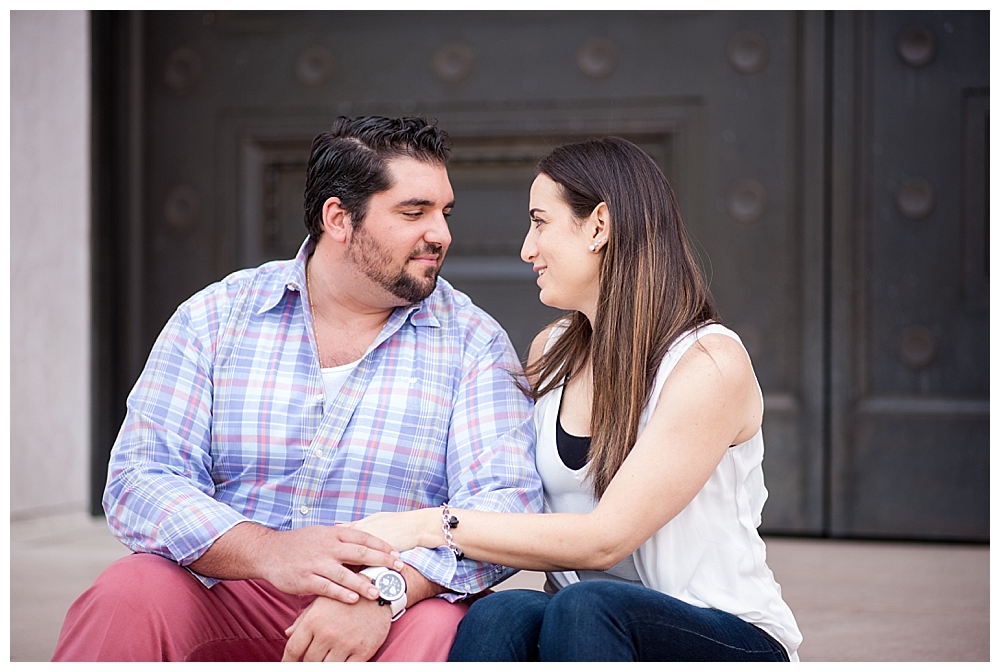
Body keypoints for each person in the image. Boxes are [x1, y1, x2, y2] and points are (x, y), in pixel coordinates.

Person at [52, 116, 543, 662]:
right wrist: (267, 550)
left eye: (444, 212)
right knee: (131, 590)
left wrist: (390, 588)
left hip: (386, 602)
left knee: (438, 628)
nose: (442, 233)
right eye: (414, 212)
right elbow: (139, 478)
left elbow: (506, 506)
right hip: (229, 589)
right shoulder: (217, 317)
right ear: (339, 218)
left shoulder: (473, 342)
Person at [347, 136, 803, 661]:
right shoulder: (553, 351)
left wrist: (428, 524)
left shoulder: (708, 364)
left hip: (725, 637)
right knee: (503, 613)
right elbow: (512, 501)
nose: (527, 248)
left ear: (599, 227)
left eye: (540, 221)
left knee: (586, 605)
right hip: (586, 630)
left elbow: (605, 540)